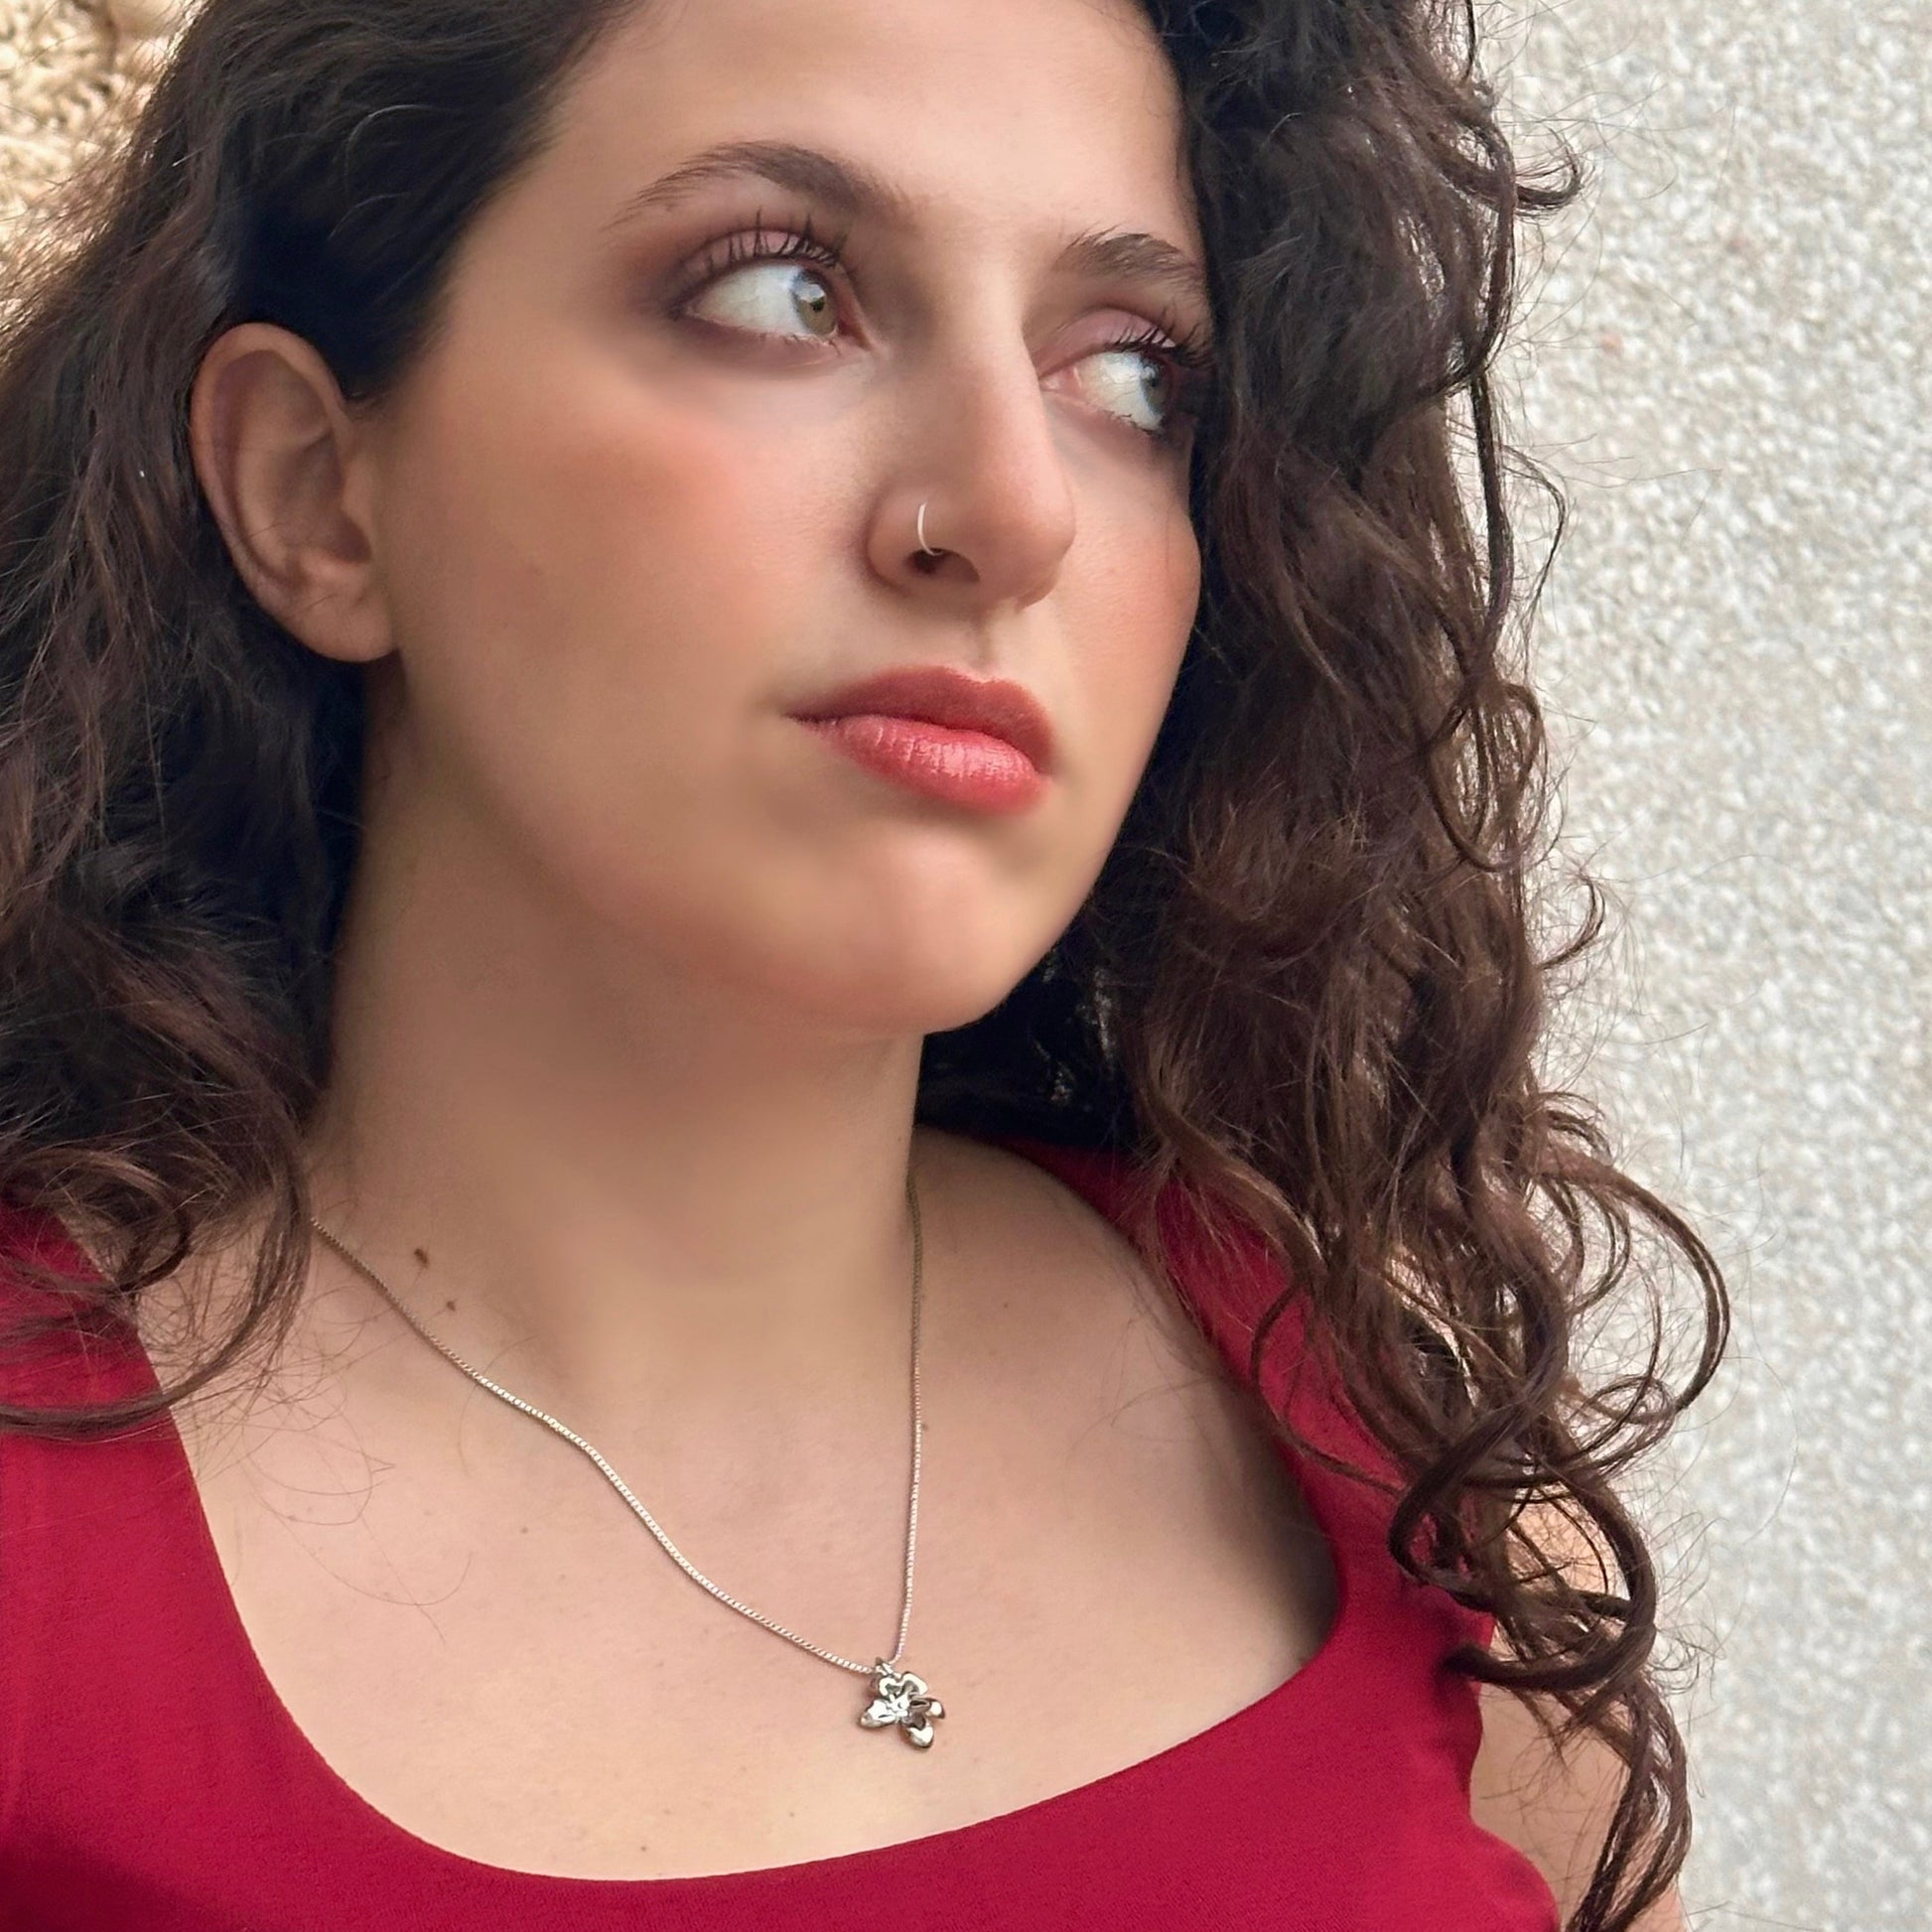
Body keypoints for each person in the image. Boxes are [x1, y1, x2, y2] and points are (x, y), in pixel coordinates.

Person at [0, 0, 1728, 1926]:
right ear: (317, 489)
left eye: (1135, 373)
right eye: (775, 292)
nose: (1010, 508)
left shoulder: (1409, 1462)